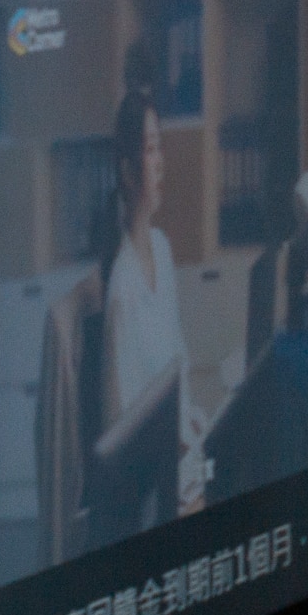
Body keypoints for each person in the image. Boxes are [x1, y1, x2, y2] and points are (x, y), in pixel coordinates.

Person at [103, 78, 204, 521]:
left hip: (183, 460)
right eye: (149, 150)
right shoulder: (122, 285)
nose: (160, 163)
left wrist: (197, 427)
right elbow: (126, 427)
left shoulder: (161, 249)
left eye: (161, 148)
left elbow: (176, 371)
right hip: (154, 488)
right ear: (126, 170)